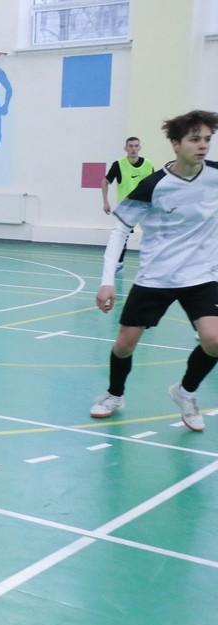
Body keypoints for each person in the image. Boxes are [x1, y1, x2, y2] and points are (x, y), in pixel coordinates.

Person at [90, 110, 218, 431]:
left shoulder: (216, 175)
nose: (203, 145)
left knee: (215, 340)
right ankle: (114, 394)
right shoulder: (153, 185)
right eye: (194, 139)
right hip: (155, 277)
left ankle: (186, 392)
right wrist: (107, 282)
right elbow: (120, 230)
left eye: (207, 139)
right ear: (175, 144)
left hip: (201, 276)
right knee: (124, 345)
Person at [101, 136, 156, 272]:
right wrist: (106, 202)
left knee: (153, 235)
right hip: (127, 208)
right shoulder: (118, 164)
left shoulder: (148, 164)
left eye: (136, 146)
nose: (133, 149)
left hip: (145, 206)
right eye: (130, 146)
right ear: (125, 148)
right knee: (122, 237)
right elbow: (105, 181)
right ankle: (119, 263)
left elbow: (154, 185)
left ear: (140, 148)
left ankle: (152, 264)